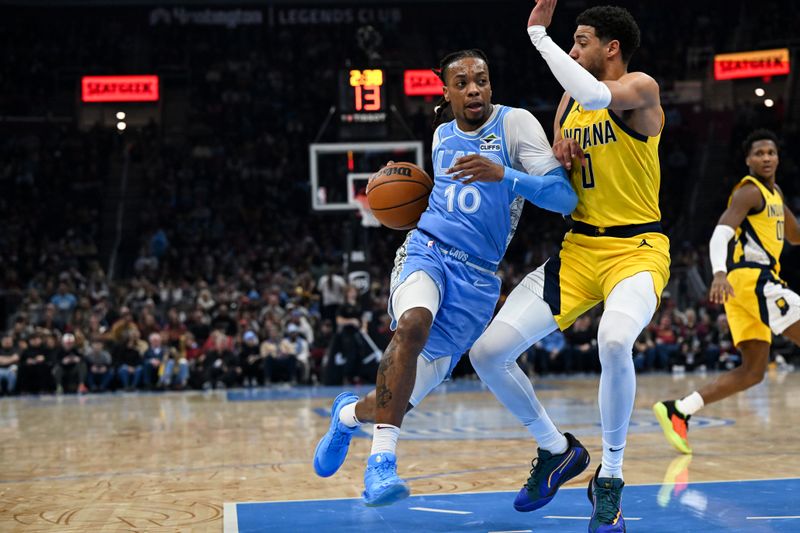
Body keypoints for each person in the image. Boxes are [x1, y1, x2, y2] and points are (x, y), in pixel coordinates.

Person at [313, 48, 578, 507]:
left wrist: (506, 175)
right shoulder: (440, 135)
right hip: (427, 250)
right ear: (447, 92)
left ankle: (347, 416)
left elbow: (563, 198)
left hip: (476, 281)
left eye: (482, 79)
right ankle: (380, 468)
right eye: (463, 83)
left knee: (387, 403)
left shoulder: (515, 125)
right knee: (412, 324)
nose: (474, 88)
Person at [467, 3, 669, 531]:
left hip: (637, 249)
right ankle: (556, 450)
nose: (573, 50)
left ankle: (612, 479)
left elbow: (597, 94)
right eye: (569, 41)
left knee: (614, 341)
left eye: (580, 41)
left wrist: (538, 35)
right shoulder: (567, 104)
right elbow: (561, 165)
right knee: (487, 353)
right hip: (579, 250)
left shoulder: (640, 88)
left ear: (612, 48)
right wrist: (558, 152)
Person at [654, 129, 800, 454]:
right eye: (759, 153)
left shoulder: (775, 196)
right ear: (748, 159)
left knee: (753, 371)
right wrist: (719, 272)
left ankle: (680, 409)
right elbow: (720, 234)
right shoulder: (748, 192)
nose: (766, 158)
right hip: (752, 280)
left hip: (746, 290)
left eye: (771, 153)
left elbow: (795, 236)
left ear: (778, 158)